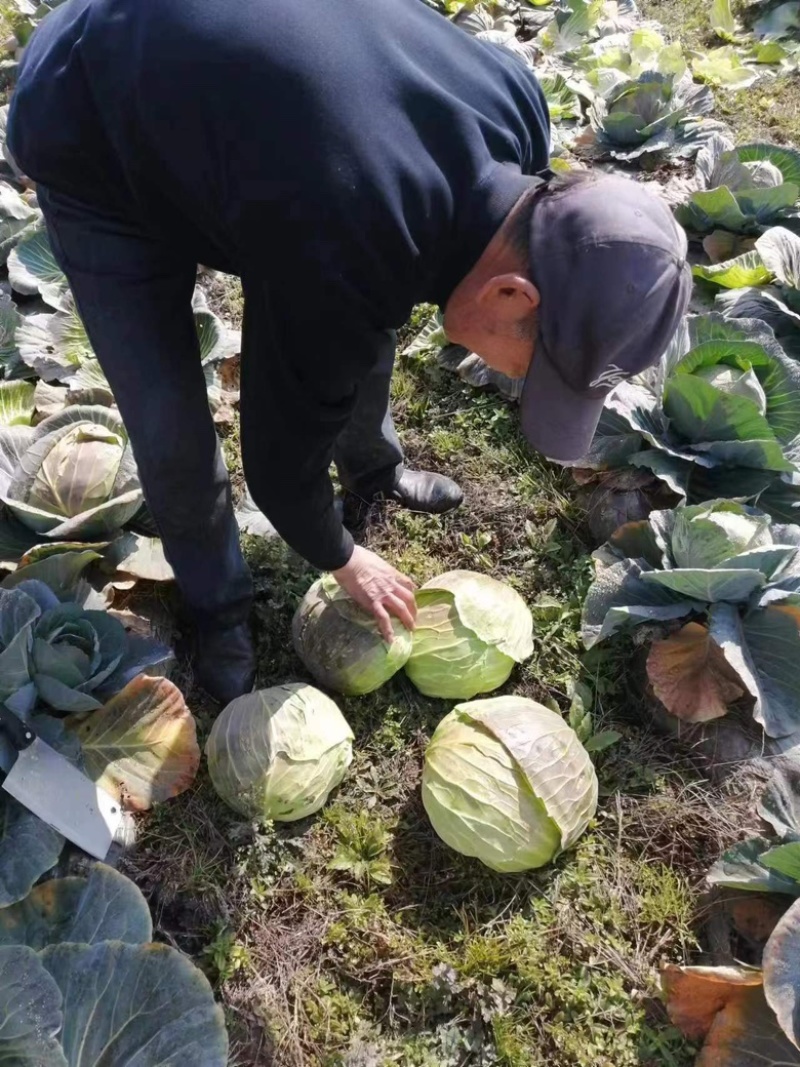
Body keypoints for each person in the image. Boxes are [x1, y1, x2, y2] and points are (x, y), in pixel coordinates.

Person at [7, 0, 692, 703]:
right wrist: (342, 556)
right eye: (533, 368)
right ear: (513, 297)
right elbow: (278, 467)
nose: (517, 379)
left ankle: (375, 466)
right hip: (91, 112)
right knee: (169, 426)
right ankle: (220, 607)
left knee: (375, 300)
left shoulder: (517, 121)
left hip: (225, 95)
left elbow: (383, 284)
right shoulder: (342, 235)